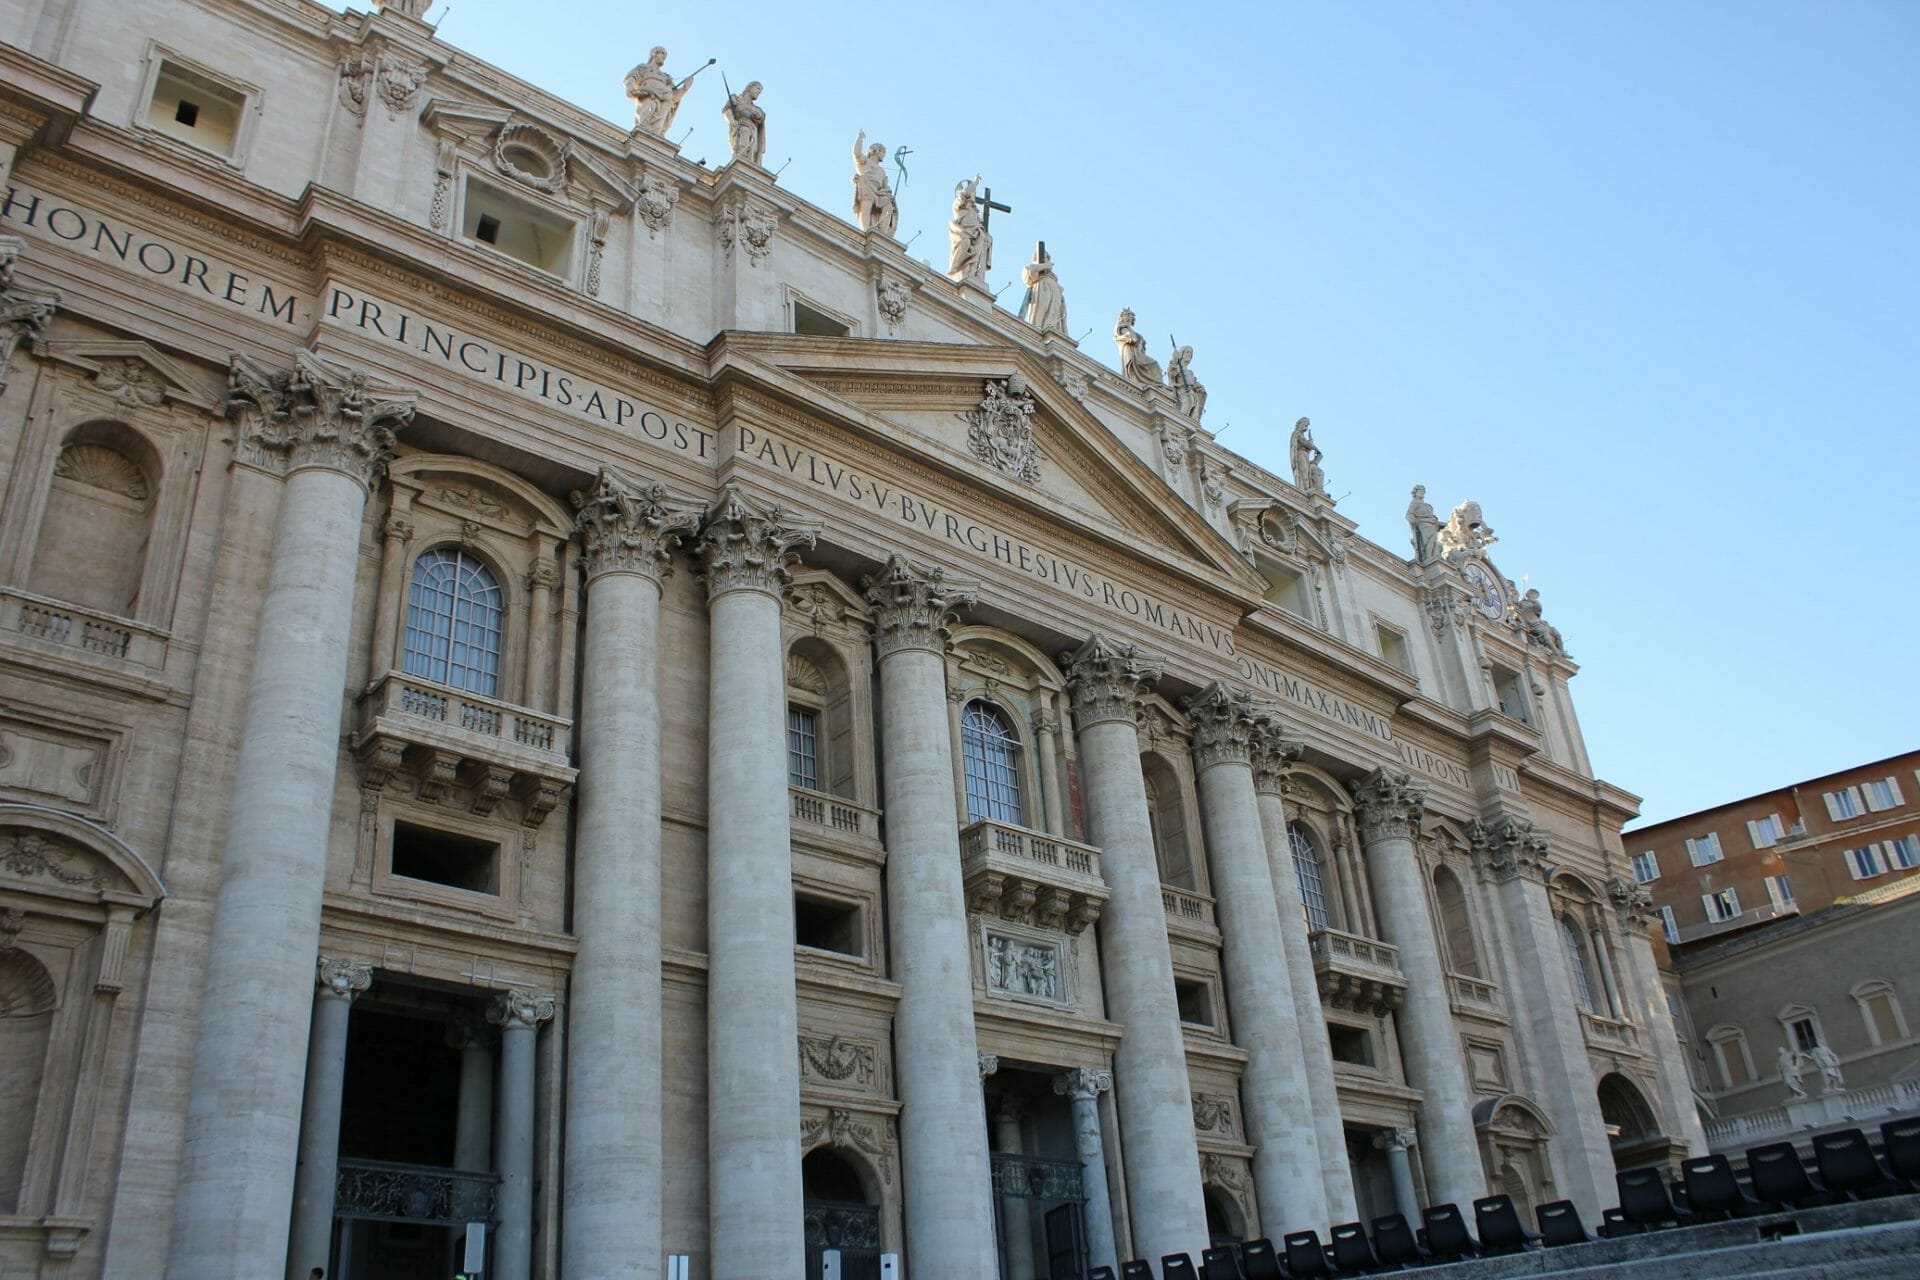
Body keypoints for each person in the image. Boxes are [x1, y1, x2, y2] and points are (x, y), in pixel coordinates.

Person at [624, 47, 697, 135]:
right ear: (653, 54)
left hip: (664, 103)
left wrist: (685, 88)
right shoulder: (643, 68)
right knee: (645, 125)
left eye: (664, 55)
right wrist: (630, 88)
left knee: (657, 130)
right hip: (648, 97)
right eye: (662, 53)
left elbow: (673, 97)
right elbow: (631, 78)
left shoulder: (665, 77)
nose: (664, 57)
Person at [851, 132, 899, 236]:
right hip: (866, 184)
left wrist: (889, 194)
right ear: (877, 150)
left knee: (888, 206)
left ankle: (882, 234)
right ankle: (866, 231)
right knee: (866, 205)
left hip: (879, 192)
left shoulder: (882, 171)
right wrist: (860, 139)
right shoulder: (866, 162)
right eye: (883, 152)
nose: (884, 155)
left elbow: (885, 186)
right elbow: (857, 153)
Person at [947, 176, 990, 284]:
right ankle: (956, 270)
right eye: (971, 191)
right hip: (963, 234)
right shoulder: (958, 206)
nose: (972, 194)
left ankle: (971, 273)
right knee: (964, 245)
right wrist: (975, 184)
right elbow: (964, 194)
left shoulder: (974, 211)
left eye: (974, 192)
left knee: (976, 255)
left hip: (975, 235)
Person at [1019, 247, 1066, 335]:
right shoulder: (1033, 269)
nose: (1046, 260)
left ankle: (1053, 332)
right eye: (1043, 258)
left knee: (1054, 315)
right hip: (1041, 291)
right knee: (1040, 314)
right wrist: (1045, 266)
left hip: (1054, 295)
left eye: (1047, 258)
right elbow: (1029, 274)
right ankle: (1037, 332)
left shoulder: (1052, 277)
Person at [1114, 308, 1161, 385]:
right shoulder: (1122, 327)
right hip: (1130, 350)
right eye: (1127, 314)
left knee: (1154, 364)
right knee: (1152, 364)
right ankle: (1135, 380)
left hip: (1138, 353)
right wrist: (1129, 338)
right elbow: (1124, 336)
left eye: (1130, 315)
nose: (1129, 317)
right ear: (1122, 317)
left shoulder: (1133, 331)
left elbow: (1140, 345)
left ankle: (1156, 384)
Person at [721, 81, 765, 165]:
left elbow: (761, 118)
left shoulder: (756, 109)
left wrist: (759, 116)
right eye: (758, 88)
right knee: (743, 145)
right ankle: (741, 164)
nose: (759, 92)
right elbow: (727, 111)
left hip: (753, 131)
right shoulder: (736, 99)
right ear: (750, 87)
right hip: (740, 128)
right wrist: (732, 121)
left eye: (760, 91)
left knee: (753, 151)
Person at [1167, 344, 1207, 420]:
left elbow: (1195, 383)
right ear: (1182, 354)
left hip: (1192, 394)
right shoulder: (1177, 367)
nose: (1189, 354)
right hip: (1182, 393)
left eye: (1191, 353)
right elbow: (1171, 374)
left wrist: (1199, 387)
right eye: (1187, 352)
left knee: (1192, 404)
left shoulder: (1190, 372)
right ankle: (1178, 423)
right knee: (1188, 403)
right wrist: (1174, 359)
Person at [1290, 417, 1325, 495]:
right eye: (1305, 423)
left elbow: (1307, 447)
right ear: (1300, 424)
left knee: (1308, 471)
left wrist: (1311, 443)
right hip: (1300, 455)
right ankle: (1305, 489)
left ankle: (1309, 487)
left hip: (1305, 455)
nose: (1307, 425)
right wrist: (1314, 447)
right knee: (1304, 471)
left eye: (1307, 424)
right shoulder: (1297, 433)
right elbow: (1305, 443)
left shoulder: (1301, 435)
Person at [1407, 485, 1440, 562]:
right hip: (1423, 525)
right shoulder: (1414, 503)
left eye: (1423, 492)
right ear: (1415, 493)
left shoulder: (1425, 504)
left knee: (1434, 540)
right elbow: (1409, 515)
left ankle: (1432, 556)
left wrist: (1434, 519)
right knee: (1427, 542)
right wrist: (1415, 523)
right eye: (1420, 491)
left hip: (1431, 525)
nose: (1422, 493)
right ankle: (1429, 557)